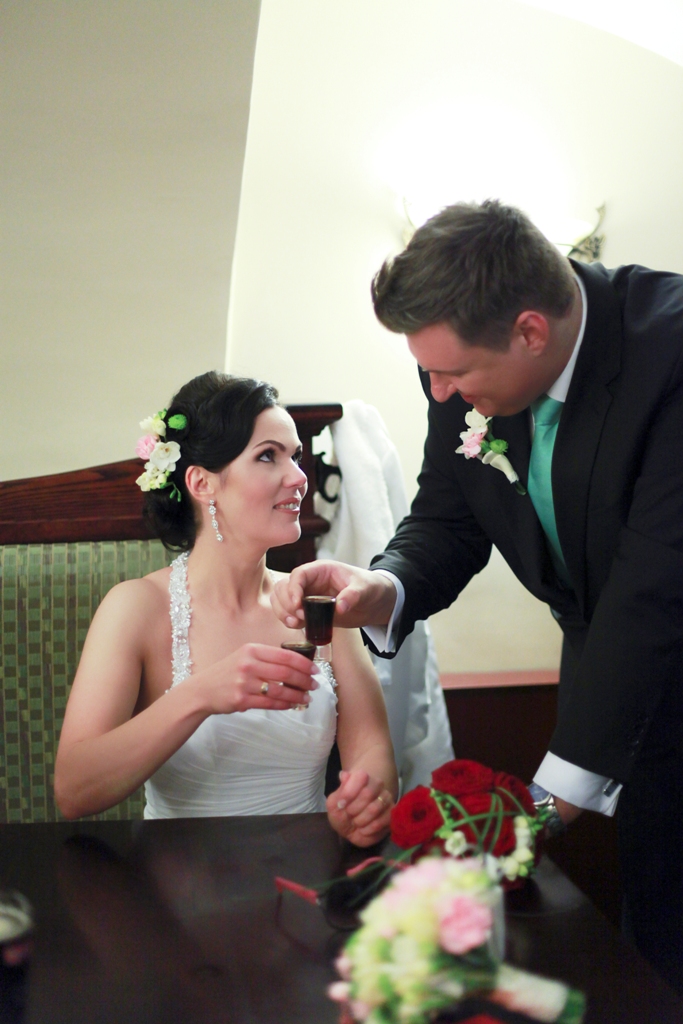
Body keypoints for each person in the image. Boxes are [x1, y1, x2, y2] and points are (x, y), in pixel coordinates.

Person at [271, 201, 683, 992]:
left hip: (649, 650)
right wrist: (382, 585)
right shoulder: (460, 366)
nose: (439, 391)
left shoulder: (669, 354)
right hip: (613, 688)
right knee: (658, 934)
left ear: (529, 331)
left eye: (453, 375)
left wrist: (536, 812)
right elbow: (448, 514)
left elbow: (655, 589)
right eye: (429, 373)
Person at [55, 372, 397, 847]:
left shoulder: (317, 602)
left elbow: (372, 748)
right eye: (268, 456)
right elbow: (74, 791)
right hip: (180, 879)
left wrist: (367, 799)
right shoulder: (135, 608)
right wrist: (199, 695)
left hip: (307, 875)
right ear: (201, 482)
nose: (299, 477)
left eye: (296, 456)